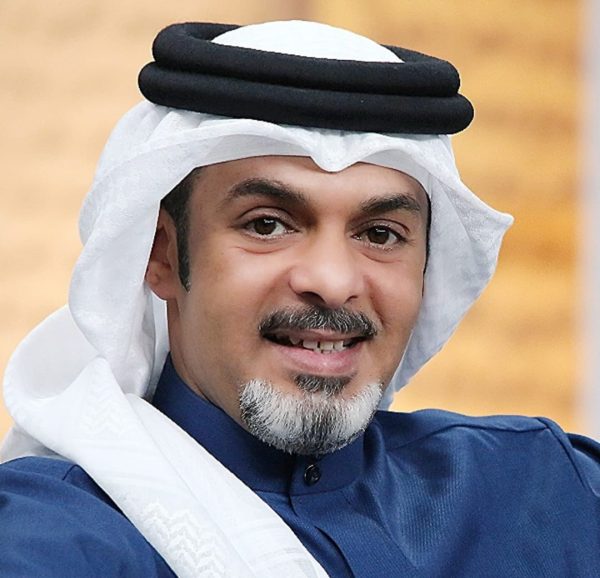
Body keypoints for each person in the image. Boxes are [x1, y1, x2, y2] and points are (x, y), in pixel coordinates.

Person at [0, 20, 598, 578]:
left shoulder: (550, 490)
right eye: (267, 225)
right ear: (160, 255)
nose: (333, 281)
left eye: (380, 234)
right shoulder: (50, 540)